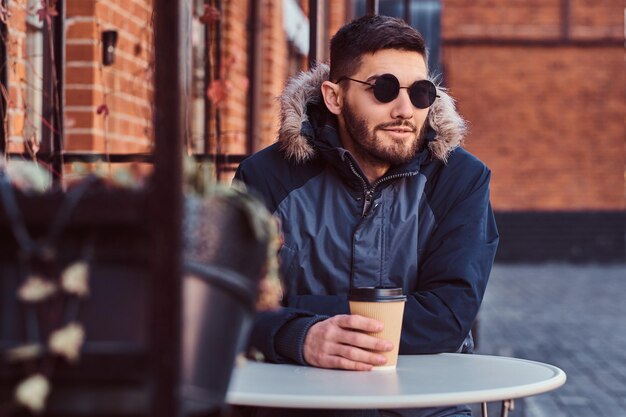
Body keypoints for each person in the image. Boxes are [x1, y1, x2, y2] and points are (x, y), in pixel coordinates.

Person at [233, 14, 499, 417]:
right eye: (384, 89)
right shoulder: (267, 176)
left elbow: (447, 317)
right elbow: (229, 304)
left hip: (425, 406)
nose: (405, 109)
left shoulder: (460, 179)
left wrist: (299, 310)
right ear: (334, 97)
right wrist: (298, 336)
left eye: (421, 92)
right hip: (297, 402)